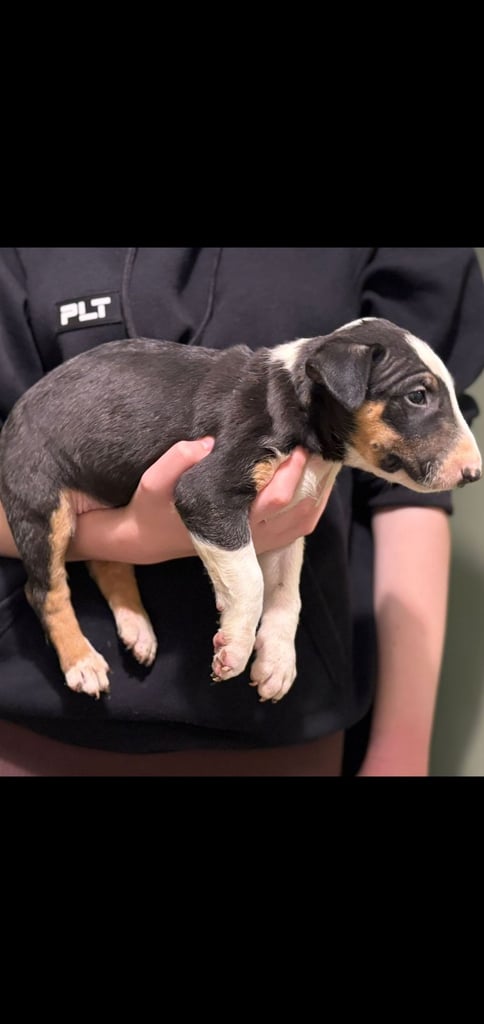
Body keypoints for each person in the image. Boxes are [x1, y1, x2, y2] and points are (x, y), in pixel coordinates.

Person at [0, 247, 483, 777]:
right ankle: (75, 622)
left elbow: (401, 500)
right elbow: (199, 498)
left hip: (290, 732)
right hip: (40, 723)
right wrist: (125, 540)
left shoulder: (313, 421)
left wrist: (403, 747)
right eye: (418, 399)